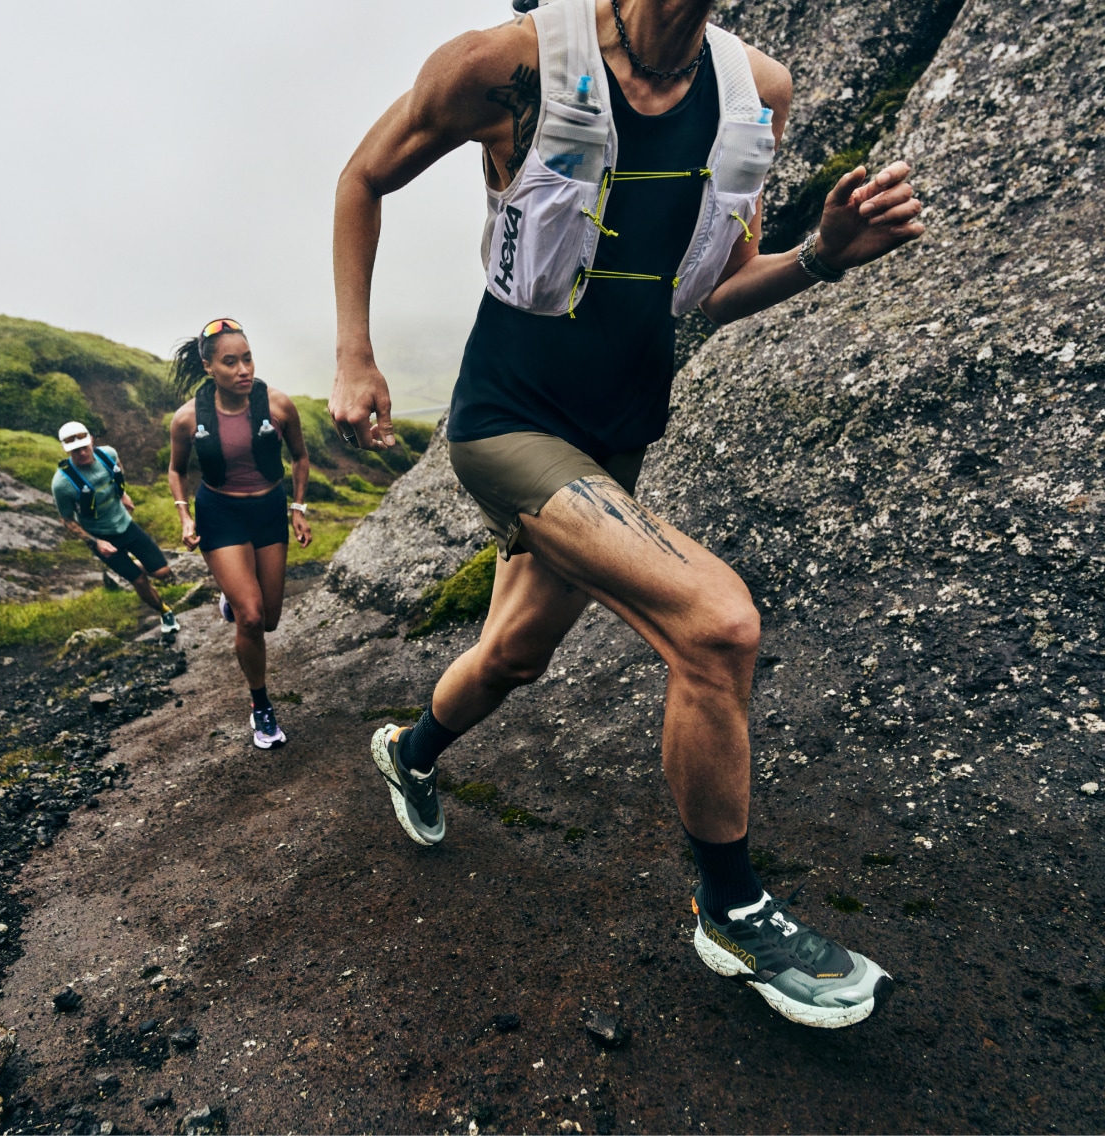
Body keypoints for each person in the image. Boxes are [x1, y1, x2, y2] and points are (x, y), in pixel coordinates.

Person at [330, 0, 926, 1028]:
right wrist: (353, 353)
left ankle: (412, 750)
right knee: (717, 622)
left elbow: (712, 291)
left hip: (617, 434)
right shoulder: (506, 64)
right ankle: (732, 907)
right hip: (506, 420)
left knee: (515, 652)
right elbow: (362, 177)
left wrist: (823, 253)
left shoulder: (757, 95)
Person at [168, 318, 312, 749]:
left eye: (247, 358)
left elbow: (300, 458)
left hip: (268, 509)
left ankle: (234, 600)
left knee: (269, 619)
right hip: (220, 512)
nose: (243, 369)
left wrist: (298, 507)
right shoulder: (188, 418)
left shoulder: (279, 406)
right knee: (250, 617)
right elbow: (176, 470)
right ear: (209, 367)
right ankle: (261, 706)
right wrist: (185, 516)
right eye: (230, 362)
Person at [51, 421, 180, 636]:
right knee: (138, 580)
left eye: (85, 447)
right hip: (101, 537)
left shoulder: (108, 454)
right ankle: (164, 611)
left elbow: (118, 471)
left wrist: (122, 494)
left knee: (163, 572)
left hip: (125, 524)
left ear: (92, 441)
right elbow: (67, 520)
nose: (82, 453)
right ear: (67, 450)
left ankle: (134, 564)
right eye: (75, 451)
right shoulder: (62, 483)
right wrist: (96, 542)